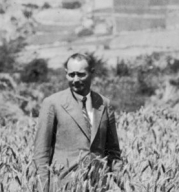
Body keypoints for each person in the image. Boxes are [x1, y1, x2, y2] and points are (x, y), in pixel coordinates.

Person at [32, 51, 122, 183]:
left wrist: (118, 185)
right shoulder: (52, 103)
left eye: (81, 74)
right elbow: (41, 152)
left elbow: (113, 152)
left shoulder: (104, 104)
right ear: (66, 73)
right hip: (63, 188)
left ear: (92, 72)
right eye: (71, 74)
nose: (75, 80)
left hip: (98, 189)